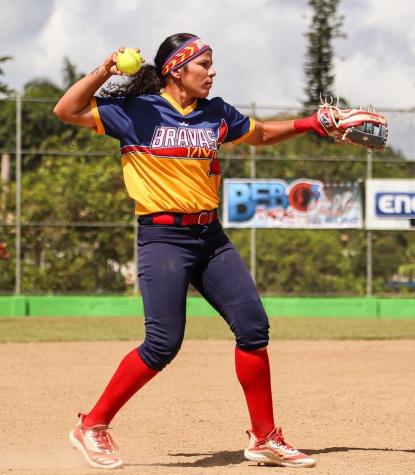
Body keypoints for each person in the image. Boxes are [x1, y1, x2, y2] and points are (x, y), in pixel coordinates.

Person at [53, 33, 329, 469]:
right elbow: (66, 110)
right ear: (176, 70)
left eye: (211, 64)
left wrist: (312, 123)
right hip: (163, 237)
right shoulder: (135, 112)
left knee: (254, 328)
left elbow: (258, 134)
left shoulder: (216, 113)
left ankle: (264, 438)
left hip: (210, 237)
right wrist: (104, 70)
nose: (212, 72)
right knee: (163, 343)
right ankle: (92, 425)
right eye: (204, 64)